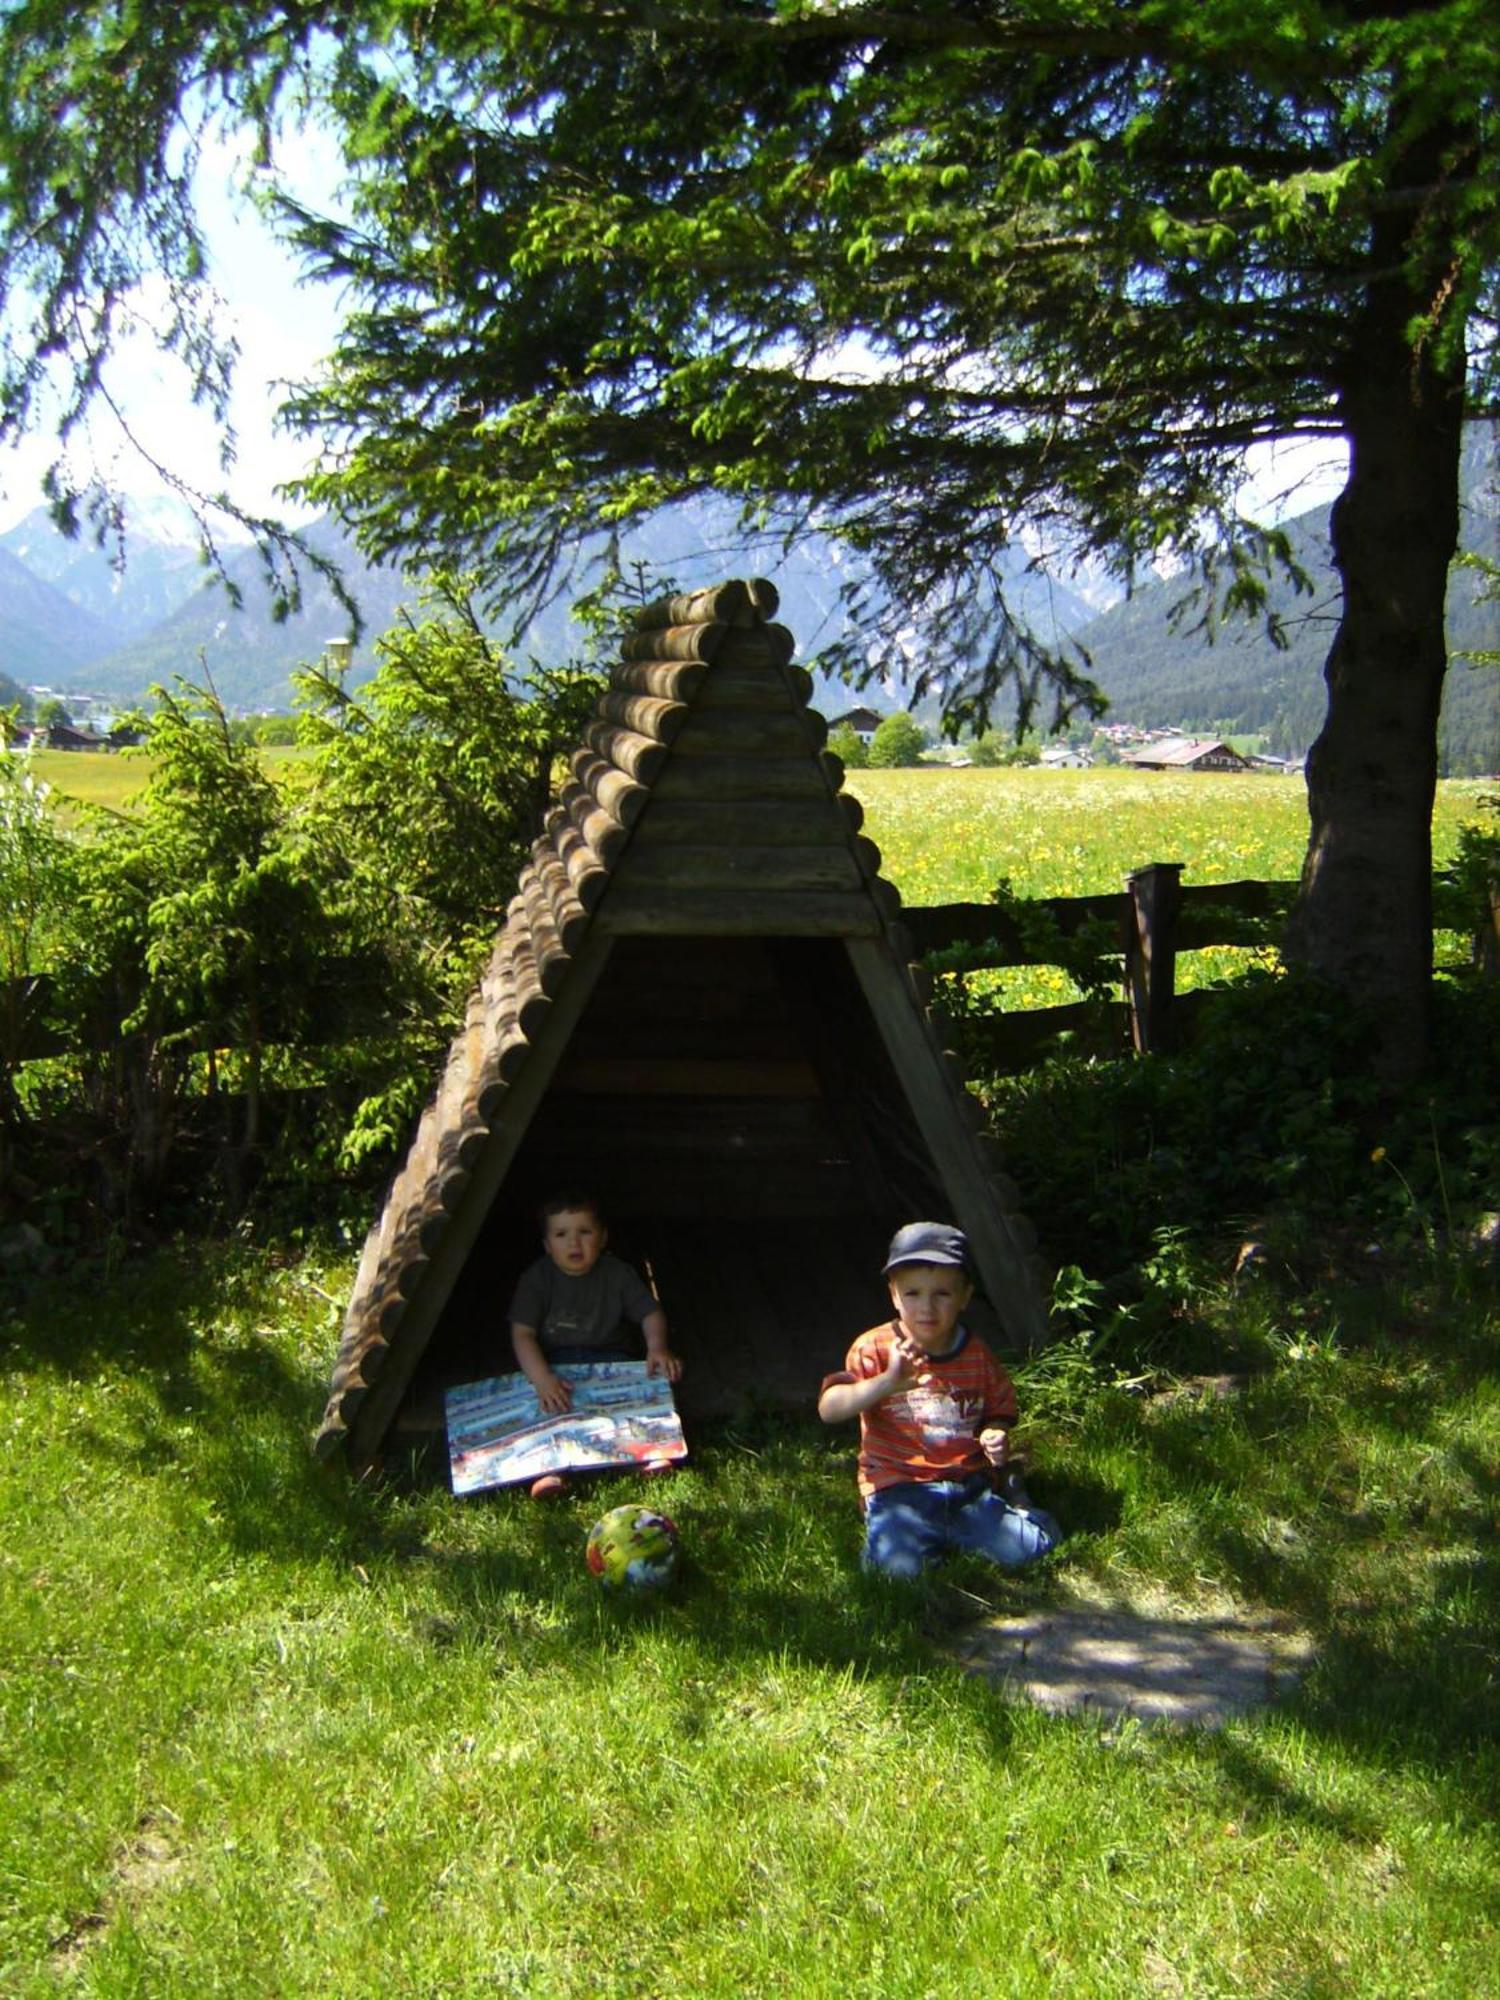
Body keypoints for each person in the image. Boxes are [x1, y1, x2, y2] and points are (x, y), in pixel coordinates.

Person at [818, 1221, 1061, 1579]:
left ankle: (1015, 1498)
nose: (926, 1307)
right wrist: (886, 1383)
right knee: (898, 1573)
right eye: (913, 1293)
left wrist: (995, 1432)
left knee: (1031, 1548)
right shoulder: (874, 1348)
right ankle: (904, 1542)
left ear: (964, 1297)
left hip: (966, 1486)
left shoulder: (976, 1355)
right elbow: (830, 1408)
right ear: (894, 1295)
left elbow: (999, 1408)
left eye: (942, 1294)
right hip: (898, 1486)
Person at [507, 1192, 683, 1497]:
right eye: (562, 1234)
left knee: (630, 1404)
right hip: (555, 1364)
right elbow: (522, 1333)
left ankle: (646, 1454)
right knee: (548, 1409)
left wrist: (657, 1347)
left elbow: (650, 1313)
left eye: (584, 1232)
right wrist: (542, 1379)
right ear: (548, 1246)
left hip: (610, 1357)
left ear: (602, 1238)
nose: (574, 1243)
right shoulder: (537, 1280)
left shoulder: (618, 1274)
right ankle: (551, 1471)